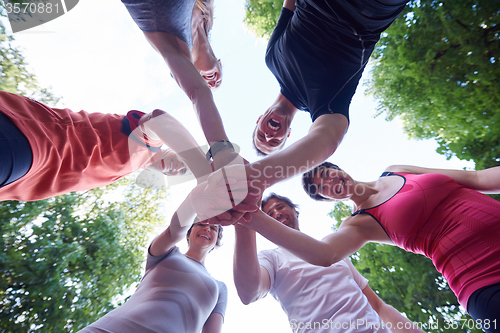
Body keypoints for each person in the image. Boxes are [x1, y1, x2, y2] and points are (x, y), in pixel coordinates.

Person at [240, 162, 500, 331]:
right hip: (481, 278)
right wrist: (248, 212)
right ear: (328, 199)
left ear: (337, 167)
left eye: (326, 174)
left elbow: (476, 177)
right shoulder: (358, 224)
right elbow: (323, 254)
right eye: (323, 189)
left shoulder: (395, 169)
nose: (330, 182)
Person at [234, 192, 423, 333]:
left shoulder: (333, 252)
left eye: (280, 207)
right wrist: (245, 222)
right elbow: (249, 293)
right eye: (268, 213)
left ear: (295, 211)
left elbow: (379, 306)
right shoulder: (271, 258)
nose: (276, 213)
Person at [0, 91, 208, 202]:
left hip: (22, 180)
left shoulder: (132, 167)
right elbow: (160, 120)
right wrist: (204, 173)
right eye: (185, 163)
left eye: (182, 173)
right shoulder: (149, 142)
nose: (179, 168)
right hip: (33, 142)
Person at [122, 0, 238, 168]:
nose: (211, 83)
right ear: (220, 64)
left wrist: (223, 151)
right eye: (217, 83)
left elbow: (198, 91)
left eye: (209, 85)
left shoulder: (177, 51)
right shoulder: (203, 11)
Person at [78, 216, 227, 333]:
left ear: (217, 241)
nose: (207, 228)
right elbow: (172, 231)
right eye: (201, 224)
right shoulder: (168, 252)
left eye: (213, 228)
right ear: (188, 233)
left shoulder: (220, 288)